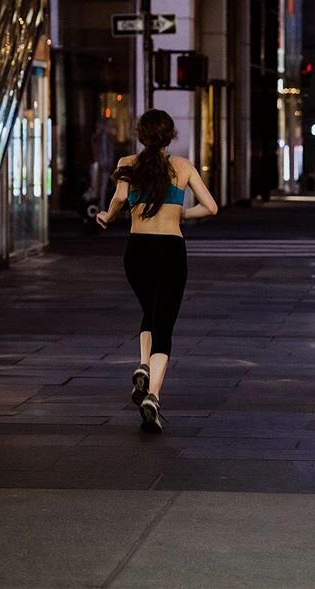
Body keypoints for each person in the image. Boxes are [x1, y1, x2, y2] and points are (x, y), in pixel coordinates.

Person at [96, 109, 218, 433]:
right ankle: (152, 395)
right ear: (170, 136)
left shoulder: (127, 164)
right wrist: (181, 213)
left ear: (141, 135)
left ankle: (143, 365)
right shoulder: (182, 167)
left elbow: (120, 198)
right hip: (170, 250)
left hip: (136, 251)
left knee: (150, 309)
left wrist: (107, 217)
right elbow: (211, 207)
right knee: (164, 322)